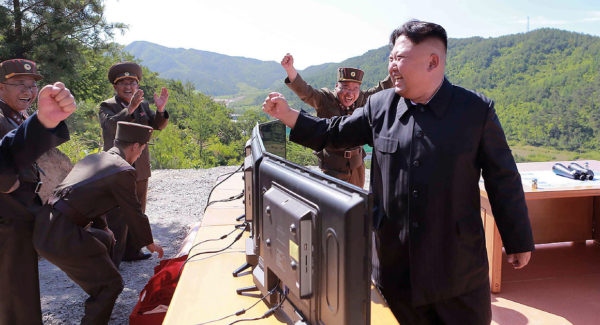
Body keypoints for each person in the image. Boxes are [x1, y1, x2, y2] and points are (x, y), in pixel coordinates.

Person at [263, 20, 534, 324]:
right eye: (390, 58)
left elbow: (503, 178)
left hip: (457, 269)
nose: (392, 65)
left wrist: (518, 239)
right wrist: (287, 115)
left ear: (433, 61)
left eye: (400, 58)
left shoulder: (475, 112)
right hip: (395, 268)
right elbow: (333, 133)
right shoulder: (381, 106)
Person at [34, 121, 165, 324]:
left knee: (105, 238)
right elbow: (133, 211)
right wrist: (149, 242)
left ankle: (102, 290)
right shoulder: (123, 170)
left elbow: (87, 197)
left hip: (44, 225)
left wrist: (104, 227)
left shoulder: (95, 158)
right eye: (142, 149)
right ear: (135, 147)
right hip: (61, 233)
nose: (140, 154)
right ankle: (102, 294)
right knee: (111, 285)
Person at [0, 58, 76, 325]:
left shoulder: (14, 116)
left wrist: (43, 120)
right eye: (19, 84)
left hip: (19, 213)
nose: (28, 91)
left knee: (20, 287)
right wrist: (9, 181)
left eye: (32, 85)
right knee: (15, 292)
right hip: (7, 217)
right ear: (0, 89)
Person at [281, 53, 392, 188]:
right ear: (336, 86)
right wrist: (290, 69)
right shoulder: (325, 99)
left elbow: (382, 88)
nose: (350, 93)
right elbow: (306, 92)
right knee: (335, 205)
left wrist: (397, 68)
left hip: (357, 166)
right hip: (333, 169)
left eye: (355, 88)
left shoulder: (362, 99)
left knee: (358, 202)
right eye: (345, 87)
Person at [98, 61, 169, 264]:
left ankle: (133, 250)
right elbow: (110, 127)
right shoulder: (107, 106)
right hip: (117, 168)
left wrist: (161, 109)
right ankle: (114, 258)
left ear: (137, 86)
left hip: (140, 166)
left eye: (132, 83)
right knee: (118, 214)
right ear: (115, 87)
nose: (128, 87)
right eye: (123, 83)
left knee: (138, 209)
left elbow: (157, 126)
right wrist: (130, 108)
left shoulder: (144, 105)